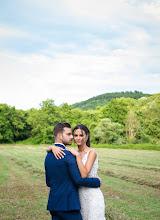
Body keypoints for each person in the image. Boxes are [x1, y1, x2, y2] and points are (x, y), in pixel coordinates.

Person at [48, 124, 106, 220]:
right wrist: (51, 147)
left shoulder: (91, 153)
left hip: (92, 196)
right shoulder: (72, 153)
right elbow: (59, 147)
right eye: (75, 135)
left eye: (81, 135)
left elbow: (84, 174)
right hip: (79, 197)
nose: (78, 138)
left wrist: (77, 156)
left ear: (87, 136)